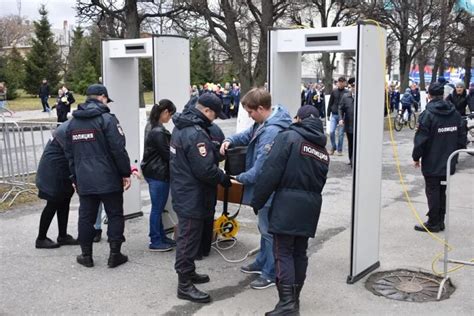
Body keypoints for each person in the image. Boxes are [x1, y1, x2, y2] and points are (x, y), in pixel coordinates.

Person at [251, 105, 329, 315]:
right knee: (299, 253)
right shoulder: (322, 149)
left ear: (299, 119)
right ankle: (293, 301)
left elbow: (270, 172)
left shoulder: (289, 137)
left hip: (286, 204)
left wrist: (257, 201)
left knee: (283, 251)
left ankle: (286, 304)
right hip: (311, 206)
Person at [220, 88, 292, 290]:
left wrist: (237, 178)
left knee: (268, 231)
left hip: (269, 189)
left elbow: (261, 169)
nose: (250, 116)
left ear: (261, 108)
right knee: (263, 228)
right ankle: (262, 261)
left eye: (251, 112)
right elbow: (247, 135)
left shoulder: (271, 131)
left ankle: (270, 272)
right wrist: (229, 140)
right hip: (266, 188)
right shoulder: (264, 122)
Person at [170, 93, 232, 303]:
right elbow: (205, 169)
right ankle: (184, 285)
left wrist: (217, 151)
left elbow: (196, 157)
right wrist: (223, 178)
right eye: (214, 115)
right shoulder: (195, 133)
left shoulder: (183, 126)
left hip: (185, 190)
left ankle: (189, 272)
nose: (214, 120)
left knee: (192, 236)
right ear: (206, 111)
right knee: (187, 239)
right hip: (192, 194)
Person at [64, 84, 132, 268]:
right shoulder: (107, 120)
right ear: (102, 97)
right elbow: (118, 149)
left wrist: (74, 178)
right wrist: (125, 173)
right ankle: (115, 255)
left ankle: (86, 255)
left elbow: (70, 154)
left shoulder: (73, 122)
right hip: (108, 178)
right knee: (115, 215)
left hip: (84, 179)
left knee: (86, 217)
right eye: (106, 99)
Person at [412, 83, 466, 232]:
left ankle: (434, 222)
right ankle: (440, 220)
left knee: (433, 190)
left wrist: (416, 157)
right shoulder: (454, 113)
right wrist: (456, 154)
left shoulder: (427, 114)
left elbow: (421, 139)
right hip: (449, 160)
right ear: (442, 95)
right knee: (442, 189)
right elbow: (462, 136)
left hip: (432, 161)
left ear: (429, 95)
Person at [141, 99, 177, 252]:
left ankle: (161, 236)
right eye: (170, 115)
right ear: (165, 112)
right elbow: (167, 154)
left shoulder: (151, 126)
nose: (170, 119)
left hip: (151, 171)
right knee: (157, 208)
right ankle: (155, 240)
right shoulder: (159, 131)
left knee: (158, 207)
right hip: (158, 172)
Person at [35, 120, 78, 249]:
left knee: (64, 201)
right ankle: (41, 238)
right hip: (53, 171)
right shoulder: (70, 129)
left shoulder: (71, 125)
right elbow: (73, 155)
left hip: (60, 170)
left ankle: (63, 236)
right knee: (53, 203)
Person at [327, 77, 347, 155]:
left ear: (344, 83)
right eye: (339, 82)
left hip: (342, 116)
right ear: (338, 82)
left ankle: (339, 149)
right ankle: (333, 146)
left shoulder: (347, 92)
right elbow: (330, 103)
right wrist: (328, 114)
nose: (341, 83)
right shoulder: (334, 91)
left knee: (341, 134)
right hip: (334, 114)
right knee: (331, 131)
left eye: (342, 82)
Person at [339, 77, 356, 166]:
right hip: (349, 125)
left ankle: (356, 159)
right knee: (351, 143)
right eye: (353, 86)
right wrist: (341, 119)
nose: (354, 87)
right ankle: (351, 159)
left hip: (359, 126)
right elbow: (340, 108)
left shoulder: (362, 96)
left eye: (356, 85)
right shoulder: (346, 97)